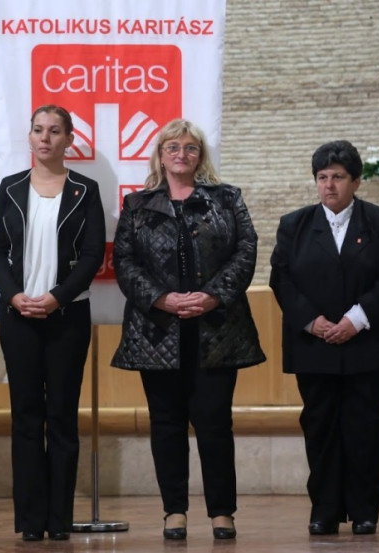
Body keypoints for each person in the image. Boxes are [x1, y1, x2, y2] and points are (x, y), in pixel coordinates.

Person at [111, 119, 266, 540]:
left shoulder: (226, 198)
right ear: (161, 156)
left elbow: (246, 250)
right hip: (158, 331)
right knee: (166, 425)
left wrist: (213, 295)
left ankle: (222, 512)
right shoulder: (138, 205)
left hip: (217, 329)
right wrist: (162, 298)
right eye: (173, 147)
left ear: (200, 156)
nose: (182, 154)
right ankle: (174, 512)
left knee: (215, 424)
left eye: (191, 148)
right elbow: (125, 262)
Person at [269, 140, 379, 536]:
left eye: (338, 177)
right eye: (322, 177)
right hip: (315, 345)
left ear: (356, 181)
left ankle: (365, 511)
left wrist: (355, 319)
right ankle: (324, 510)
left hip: (368, 345)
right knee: (321, 428)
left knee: (368, 429)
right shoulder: (294, 224)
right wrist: (312, 321)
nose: (329, 185)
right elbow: (282, 279)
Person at [0, 105, 106, 542]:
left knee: (61, 418)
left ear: (69, 139)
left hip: (67, 318)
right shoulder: (11, 187)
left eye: (55, 131)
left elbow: (92, 255)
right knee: (25, 418)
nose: (45, 138)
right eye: (38, 130)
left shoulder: (85, 189)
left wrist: (57, 298)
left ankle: (59, 520)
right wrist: (13, 296)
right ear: (30, 136)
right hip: (18, 317)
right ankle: (31, 521)